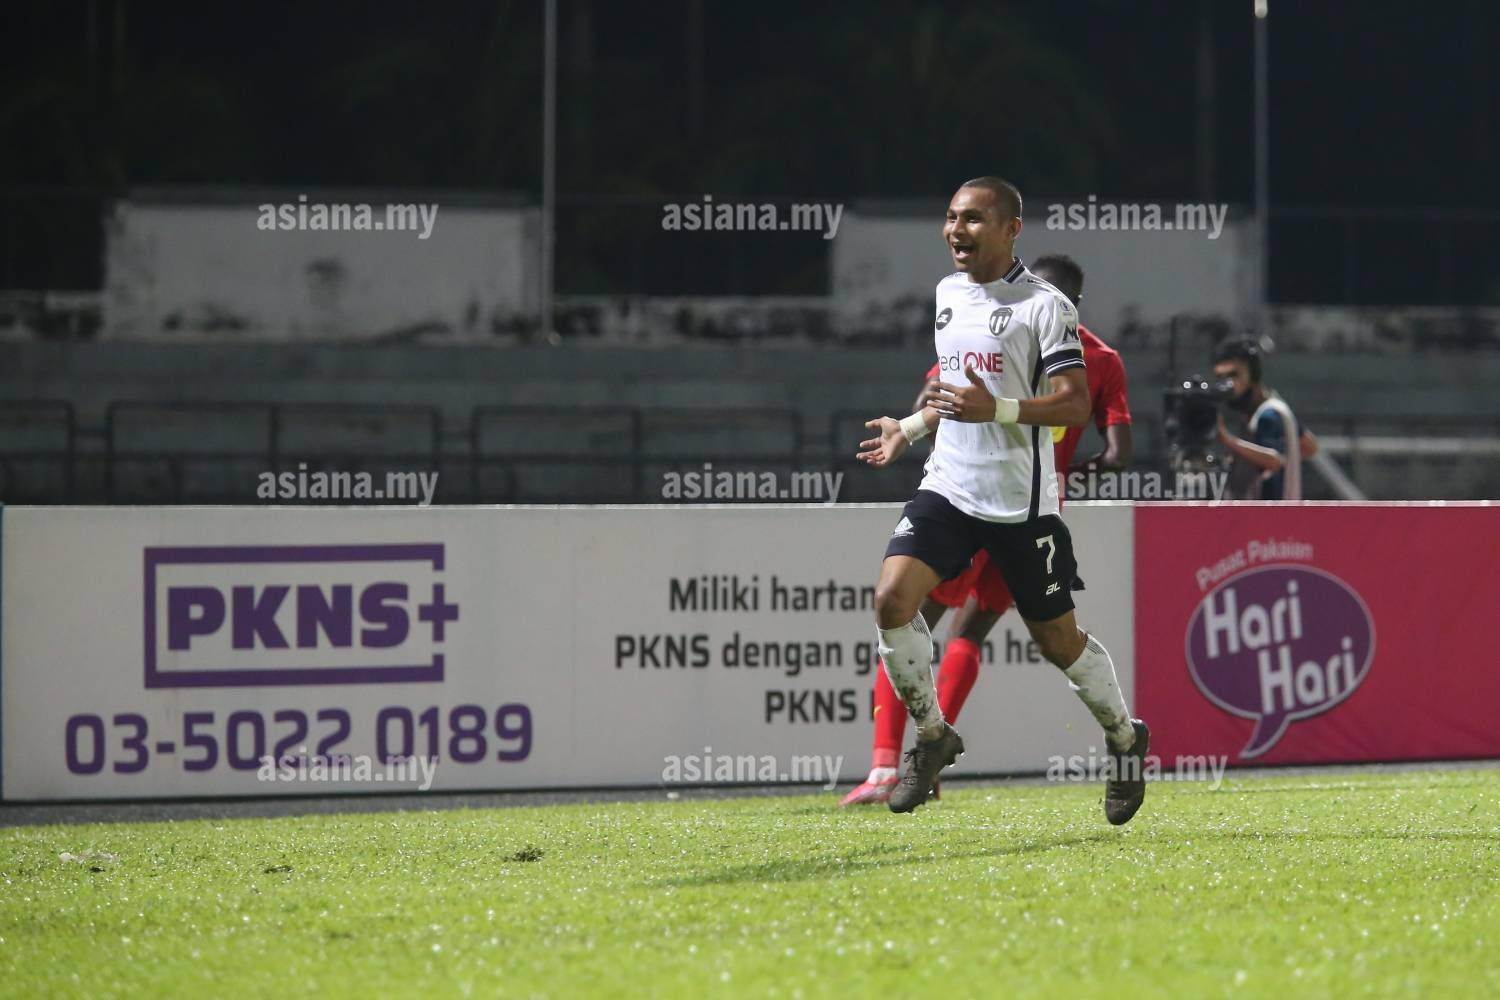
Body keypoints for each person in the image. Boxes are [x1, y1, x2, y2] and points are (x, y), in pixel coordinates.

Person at [857, 177, 1149, 823]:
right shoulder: (948, 293)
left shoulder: (1046, 306)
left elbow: (1073, 404)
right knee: (892, 601)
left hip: (1022, 505)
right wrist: (909, 429)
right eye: (951, 217)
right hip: (949, 486)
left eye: (974, 219)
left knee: (1057, 640)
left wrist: (1000, 409)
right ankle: (932, 737)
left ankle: (1125, 737)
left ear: (1011, 229)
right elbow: (954, 389)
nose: (956, 230)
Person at [1212, 338, 1307, 500]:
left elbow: (1274, 461)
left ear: (1254, 375)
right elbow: (1309, 446)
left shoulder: (1269, 415)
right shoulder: (1276, 409)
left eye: (1234, 375)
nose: (1228, 384)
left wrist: (1227, 440)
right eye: (1221, 377)